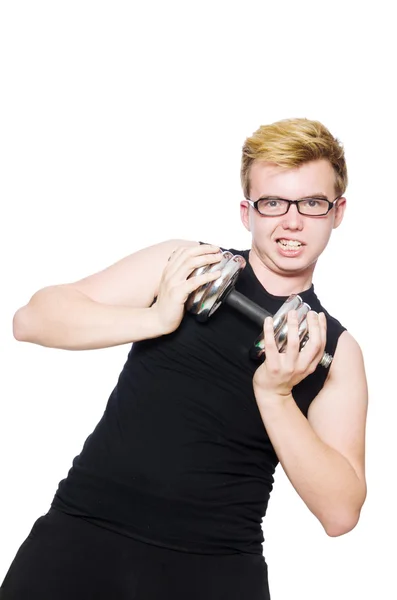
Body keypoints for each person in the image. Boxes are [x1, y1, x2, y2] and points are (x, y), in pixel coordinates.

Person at [0, 118, 368, 600]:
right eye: (273, 202)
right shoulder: (185, 266)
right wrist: (155, 318)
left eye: (312, 203)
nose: (291, 221)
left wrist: (275, 395)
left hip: (214, 569)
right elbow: (32, 320)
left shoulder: (335, 351)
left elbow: (341, 513)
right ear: (247, 211)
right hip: (83, 534)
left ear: (337, 211)